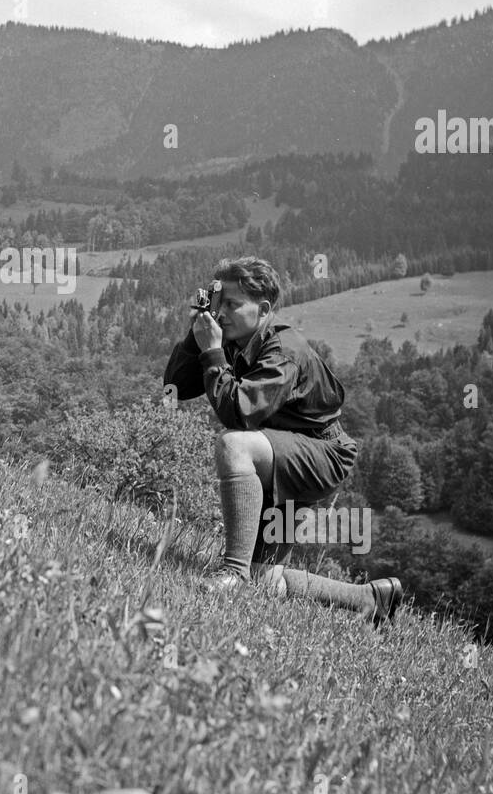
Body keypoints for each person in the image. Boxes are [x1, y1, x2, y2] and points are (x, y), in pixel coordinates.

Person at [163, 256, 401, 624]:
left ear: (262, 309)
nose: (221, 312)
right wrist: (199, 332)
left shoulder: (282, 351)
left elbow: (237, 412)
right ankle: (370, 600)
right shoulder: (234, 338)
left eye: (231, 304)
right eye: (217, 301)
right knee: (265, 579)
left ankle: (231, 573)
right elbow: (176, 386)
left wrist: (212, 350)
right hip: (287, 450)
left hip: (320, 456)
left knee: (234, 444)